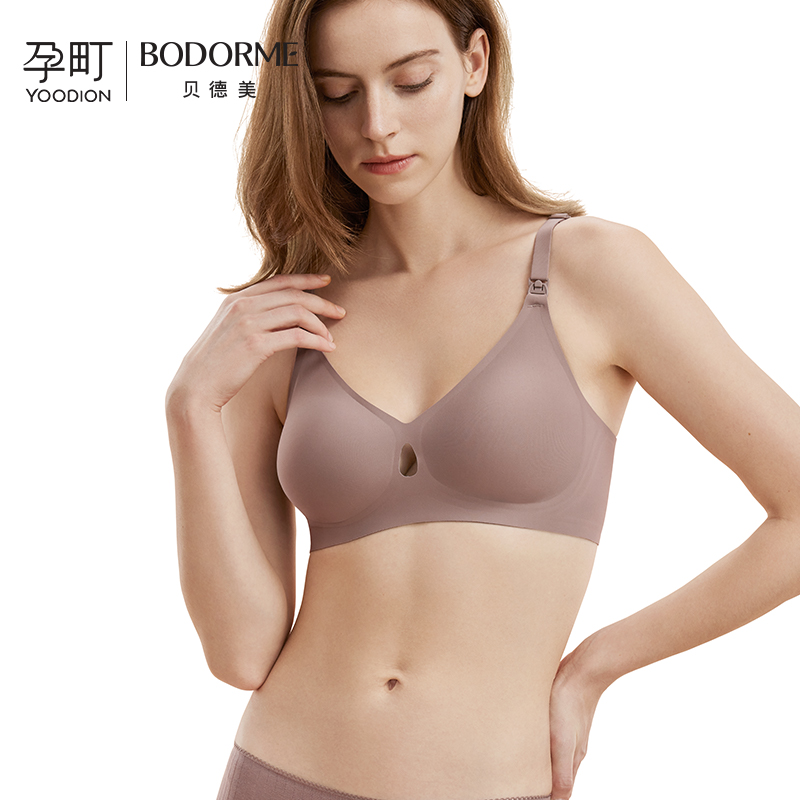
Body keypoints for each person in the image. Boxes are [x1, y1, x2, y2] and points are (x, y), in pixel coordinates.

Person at [164, 0, 800, 798]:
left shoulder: (590, 269)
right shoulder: (292, 312)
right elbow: (241, 654)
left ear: (474, 63)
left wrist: (595, 666)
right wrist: (190, 409)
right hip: (281, 770)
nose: (377, 126)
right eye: (337, 93)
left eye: (411, 81)